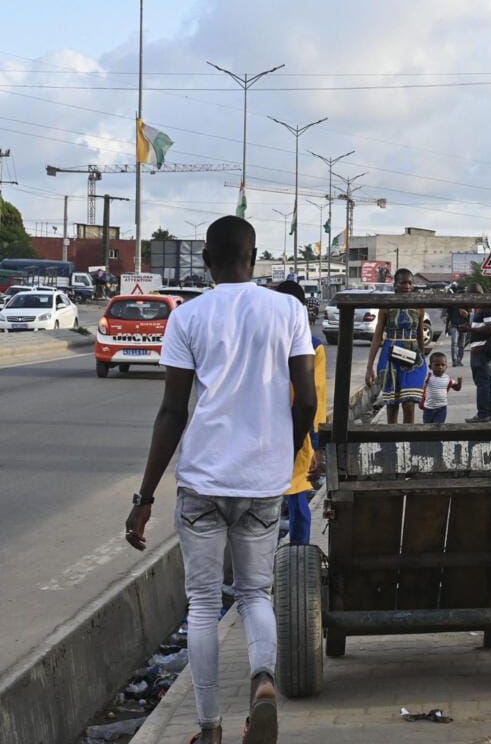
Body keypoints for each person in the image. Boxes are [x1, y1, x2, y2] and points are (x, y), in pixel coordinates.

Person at [124, 216, 316, 744]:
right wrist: (288, 450)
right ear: (254, 259)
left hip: (203, 482)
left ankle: (209, 729)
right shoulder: (288, 310)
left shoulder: (187, 316)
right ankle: (262, 683)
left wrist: (145, 497)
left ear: (206, 261)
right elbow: (309, 398)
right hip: (263, 483)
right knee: (256, 595)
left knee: (205, 604)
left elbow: (171, 412)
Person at [274, 280, 327, 545]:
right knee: (296, 496)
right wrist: (315, 444)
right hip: (298, 429)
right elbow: (314, 399)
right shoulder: (312, 344)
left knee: (260, 502)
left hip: (262, 429)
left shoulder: (261, 339)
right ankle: (299, 553)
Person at [365, 268, 427, 426]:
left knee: (409, 403)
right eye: (403, 282)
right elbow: (377, 337)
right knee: (392, 405)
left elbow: (420, 335)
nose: (407, 286)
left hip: (413, 355)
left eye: (410, 283)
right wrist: (369, 366)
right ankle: (392, 443)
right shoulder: (386, 306)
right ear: (395, 284)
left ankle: (408, 442)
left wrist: (423, 359)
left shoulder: (419, 306)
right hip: (390, 354)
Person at [461, 283, 491, 423]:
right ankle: (490, 413)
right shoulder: (482, 308)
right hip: (483, 351)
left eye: (468, 294)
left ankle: (483, 414)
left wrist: (469, 330)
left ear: (475, 294)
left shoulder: (486, 308)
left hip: (481, 351)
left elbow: (490, 329)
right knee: (488, 382)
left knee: (483, 383)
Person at [418, 350, 463, 423]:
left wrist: (460, 382)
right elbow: (420, 384)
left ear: (446, 367)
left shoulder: (448, 379)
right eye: (437, 365)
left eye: (443, 365)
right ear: (430, 366)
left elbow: (457, 388)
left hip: (442, 408)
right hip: (428, 409)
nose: (440, 367)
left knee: (438, 427)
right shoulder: (428, 377)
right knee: (427, 428)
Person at [445, 296, 470, 367]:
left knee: (461, 345)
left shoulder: (465, 304)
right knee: (454, 343)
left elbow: (469, 315)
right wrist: (446, 327)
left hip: (463, 326)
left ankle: (459, 360)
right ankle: (455, 360)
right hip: (454, 326)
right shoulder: (451, 304)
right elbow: (448, 316)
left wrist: (468, 325)